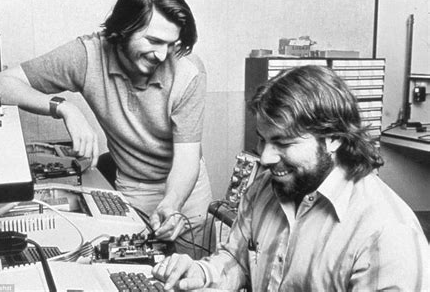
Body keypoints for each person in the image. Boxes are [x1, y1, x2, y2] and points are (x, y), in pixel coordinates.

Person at [152, 65, 430, 291]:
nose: (265, 158)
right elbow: (236, 260)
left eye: (283, 143)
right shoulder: (264, 187)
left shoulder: (388, 234)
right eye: (263, 140)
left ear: (333, 138)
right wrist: (199, 273)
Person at [0, 0, 215, 259]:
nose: (162, 55)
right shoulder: (87, 56)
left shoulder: (189, 71)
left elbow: (187, 159)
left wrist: (172, 204)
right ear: (124, 27)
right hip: (133, 188)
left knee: (194, 278)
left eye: (170, 44)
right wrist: (64, 108)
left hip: (186, 194)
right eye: (153, 41)